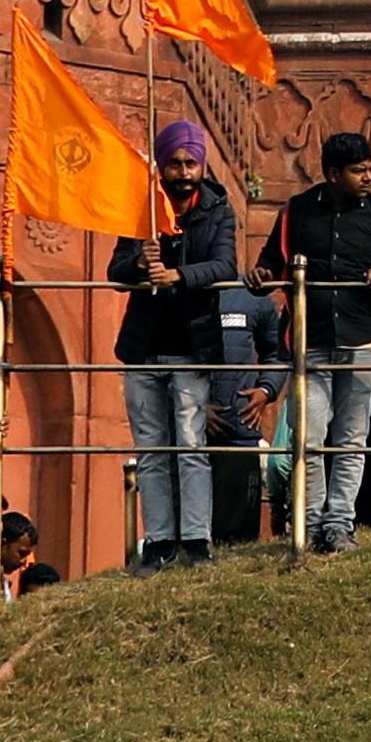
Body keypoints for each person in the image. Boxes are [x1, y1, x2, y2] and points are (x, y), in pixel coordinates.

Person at [260, 131, 371, 550]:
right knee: (309, 437)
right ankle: (309, 522)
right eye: (359, 171)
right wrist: (261, 278)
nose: (369, 177)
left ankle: (340, 523)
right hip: (312, 340)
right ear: (332, 174)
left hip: (363, 339)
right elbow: (270, 263)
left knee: (353, 439)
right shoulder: (297, 214)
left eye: (370, 169)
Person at [115, 120, 248, 566]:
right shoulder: (143, 209)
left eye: (191, 163)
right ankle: (158, 542)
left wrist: (178, 276)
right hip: (143, 347)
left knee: (190, 447)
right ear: (162, 165)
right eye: (175, 163)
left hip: (192, 347)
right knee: (151, 448)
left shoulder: (217, 210)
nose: (184, 172)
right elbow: (115, 272)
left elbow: (225, 265)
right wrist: (139, 260)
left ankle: (195, 540)